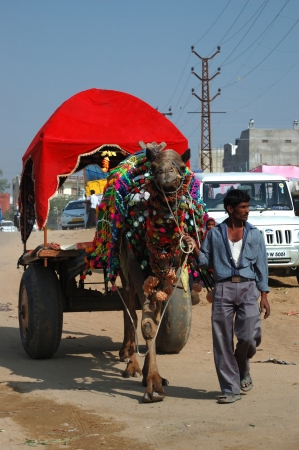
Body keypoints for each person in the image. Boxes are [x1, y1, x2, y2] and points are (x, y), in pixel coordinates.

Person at [185, 189, 270, 404]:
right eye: (243, 207)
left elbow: (262, 266)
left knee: (249, 337)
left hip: (249, 289)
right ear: (230, 209)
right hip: (222, 290)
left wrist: (265, 295)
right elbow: (204, 262)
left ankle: (243, 367)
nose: (247, 211)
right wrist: (194, 248)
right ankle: (230, 389)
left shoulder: (255, 234)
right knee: (222, 340)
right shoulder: (214, 234)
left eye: (247, 207)